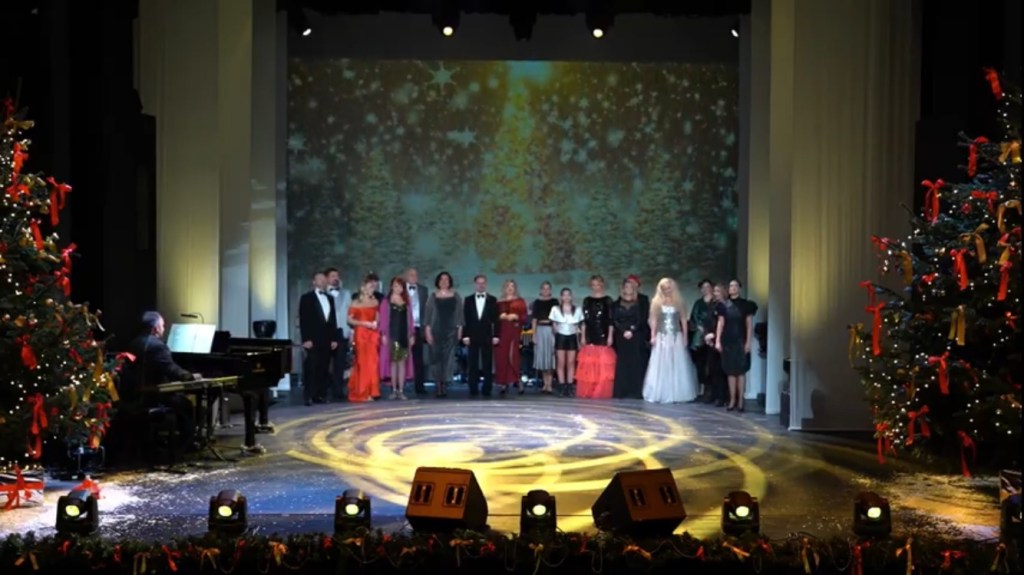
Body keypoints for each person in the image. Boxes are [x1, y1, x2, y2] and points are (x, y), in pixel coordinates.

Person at [123, 311, 201, 452]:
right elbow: (171, 370)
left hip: (132, 395)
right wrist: (189, 376)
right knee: (186, 405)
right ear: (156, 328)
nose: (163, 329)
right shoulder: (157, 346)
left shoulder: (133, 343)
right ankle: (184, 446)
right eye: (162, 326)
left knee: (179, 400)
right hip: (149, 397)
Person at [643, 278, 698, 404]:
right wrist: (653, 336)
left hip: (676, 336)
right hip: (661, 336)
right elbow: (654, 320)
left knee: (676, 362)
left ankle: (677, 392)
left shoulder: (679, 302)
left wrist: (685, 337)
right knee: (661, 363)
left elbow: (683, 320)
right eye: (664, 289)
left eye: (668, 288)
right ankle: (661, 391)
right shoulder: (656, 302)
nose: (667, 291)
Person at [715, 279, 758, 412]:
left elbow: (749, 325)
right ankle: (732, 400)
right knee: (730, 371)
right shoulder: (723, 305)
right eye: (730, 286)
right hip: (728, 340)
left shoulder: (746, 305)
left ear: (739, 288)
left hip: (741, 340)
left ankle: (740, 401)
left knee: (741, 371)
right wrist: (717, 340)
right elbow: (720, 323)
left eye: (735, 285)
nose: (732, 288)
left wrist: (748, 342)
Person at [298, 271, 339, 406]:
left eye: (323, 279)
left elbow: (333, 320)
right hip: (313, 339)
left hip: (327, 339)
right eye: (319, 279)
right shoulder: (306, 298)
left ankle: (320, 395)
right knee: (311, 367)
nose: (322, 281)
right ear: (314, 282)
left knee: (324, 367)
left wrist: (334, 338)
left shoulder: (330, 298)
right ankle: (308, 395)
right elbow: (303, 320)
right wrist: (306, 339)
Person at [577, 275, 615, 399]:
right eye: (593, 285)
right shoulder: (587, 300)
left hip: (603, 332)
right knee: (590, 363)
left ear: (602, 285)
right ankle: (590, 390)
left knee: (603, 363)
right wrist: (583, 336)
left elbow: (610, 320)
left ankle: (600, 390)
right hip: (590, 332)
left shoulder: (608, 300)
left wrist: (610, 336)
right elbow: (584, 320)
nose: (596, 287)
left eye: (598, 284)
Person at [424, 271, 462, 397]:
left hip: (451, 331)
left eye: (446, 279)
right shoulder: (433, 296)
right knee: (436, 358)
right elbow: (428, 315)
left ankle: (445, 383)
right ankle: (438, 384)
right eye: (442, 279)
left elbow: (459, 314)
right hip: (436, 330)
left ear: (450, 282)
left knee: (448, 359)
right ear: (438, 282)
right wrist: (427, 331)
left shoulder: (455, 296)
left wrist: (460, 329)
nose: (444, 282)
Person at [461, 274, 499, 397]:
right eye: (479, 283)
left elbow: (496, 320)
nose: (481, 285)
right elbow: (465, 319)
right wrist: (465, 335)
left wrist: (496, 335)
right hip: (472, 335)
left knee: (487, 363)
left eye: (483, 283)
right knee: (472, 363)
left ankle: (487, 388)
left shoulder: (493, 300)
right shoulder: (468, 300)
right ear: (475, 284)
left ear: (486, 284)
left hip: (487, 336)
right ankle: (473, 387)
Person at [380, 276, 415, 400]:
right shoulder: (386, 302)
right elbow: (383, 320)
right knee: (393, 363)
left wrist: (412, 334)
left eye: (400, 286)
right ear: (391, 287)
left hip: (403, 335)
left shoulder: (407, 301)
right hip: (392, 335)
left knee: (402, 363)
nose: (398, 288)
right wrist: (383, 334)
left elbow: (410, 320)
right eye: (395, 285)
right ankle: (394, 390)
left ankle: (401, 390)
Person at [347, 277, 382, 402]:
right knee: (362, 362)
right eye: (370, 286)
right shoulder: (355, 302)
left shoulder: (375, 301)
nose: (372, 289)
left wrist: (375, 323)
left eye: (373, 287)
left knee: (373, 363)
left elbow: (377, 317)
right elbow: (349, 320)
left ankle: (372, 391)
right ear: (363, 288)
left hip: (373, 334)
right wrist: (363, 323)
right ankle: (362, 392)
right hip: (361, 333)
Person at [496, 279, 528, 395]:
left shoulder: (520, 301)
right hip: (502, 331)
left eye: (512, 286)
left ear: (515, 288)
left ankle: (518, 380)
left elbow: (524, 317)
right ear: (504, 288)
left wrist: (516, 316)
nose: (510, 288)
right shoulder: (499, 302)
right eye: (508, 286)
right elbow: (494, 318)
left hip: (514, 330)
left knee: (513, 356)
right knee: (502, 357)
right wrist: (501, 317)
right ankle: (503, 383)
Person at [325, 267, 352, 401]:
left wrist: (351, 332)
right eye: (332, 276)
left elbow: (350, 313)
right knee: (324, 362)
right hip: (326, 332)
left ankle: (338, 391)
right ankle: (323, 390)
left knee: (340, 363)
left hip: (342, 331)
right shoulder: (321, 294)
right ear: (326, 278)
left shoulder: (346, 293)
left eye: (337, 276)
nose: (336, 278)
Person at [405, 268, 430, 395]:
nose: (413, 277)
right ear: (406, 276)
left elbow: (426, 310)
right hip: (403, 328)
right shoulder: (400, 289)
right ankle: (399, 387)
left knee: (418, 359)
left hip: (418, 328)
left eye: (415, 275)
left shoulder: (423, 290)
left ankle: (419, 386)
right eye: (411, 274)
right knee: (401, 358)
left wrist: (426, 328)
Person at [531, 282, 558, 394]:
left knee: (550, 357)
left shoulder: (554, 302)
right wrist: (533, 334)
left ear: (550, 290)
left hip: (551, 330)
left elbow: (557, 318)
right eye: (544, 288)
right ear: (541, 290)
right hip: (540, 330)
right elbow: (534, 320)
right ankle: (545, 384)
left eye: (548, 288)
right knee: (542, 357)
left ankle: (549, 384)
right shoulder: (537, 302)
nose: (546, 290)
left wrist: (556, 331)